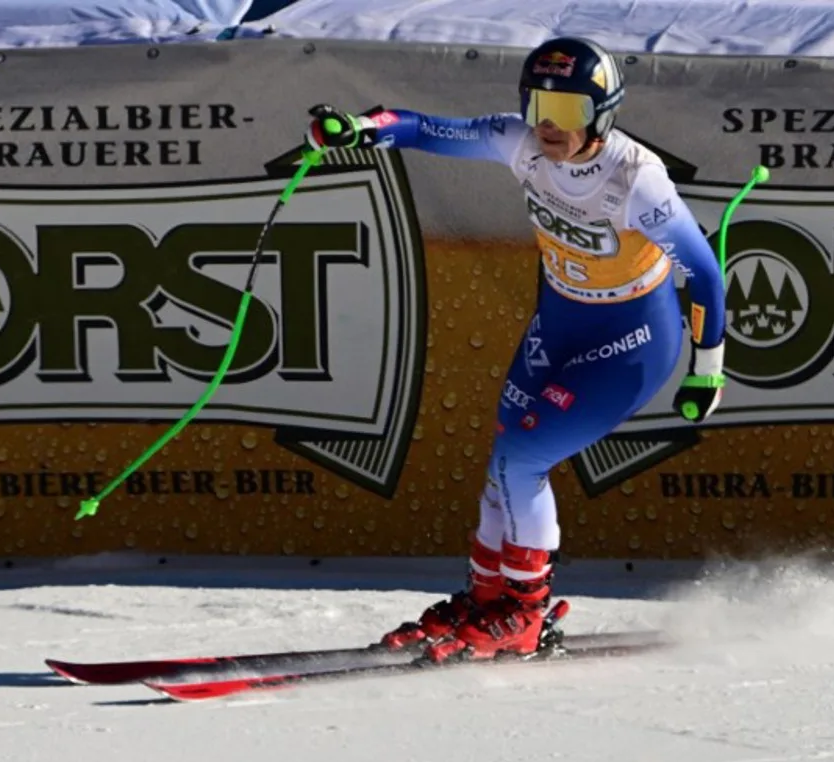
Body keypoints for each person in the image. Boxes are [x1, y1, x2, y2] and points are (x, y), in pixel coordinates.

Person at [303, 36, 728, 663]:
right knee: (505, 456)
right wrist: (358, 130)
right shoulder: (521, 143)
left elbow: (704, 273)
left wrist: (707, 373)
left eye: (570, 112)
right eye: (540, 107)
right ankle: (487, 601)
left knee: (525, 458)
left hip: (630, 340)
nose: (551, 128)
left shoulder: (637, 180)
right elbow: (424, 129)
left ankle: (524, 614)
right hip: (560, 322)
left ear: (602, 114)